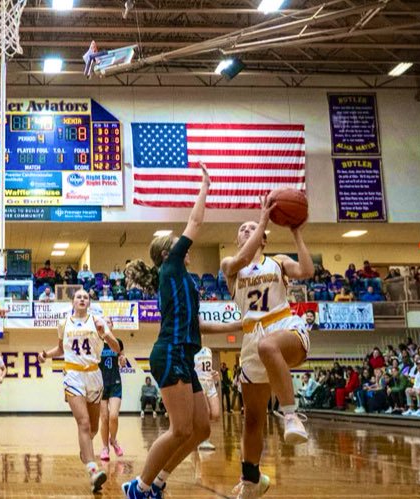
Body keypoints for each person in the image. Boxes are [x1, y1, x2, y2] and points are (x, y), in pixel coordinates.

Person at [206, 189, 315, 498]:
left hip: (283, 325)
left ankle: (291, 415)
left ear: (264, 240)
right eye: (243, 229)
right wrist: (263, 219)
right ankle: (251, 480)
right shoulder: (231, 265)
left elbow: (307, 271)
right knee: (252, 418)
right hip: (251, 338)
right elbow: (242, 258)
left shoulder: (278, 262)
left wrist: (296, 234)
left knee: (269, 346)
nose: (246, 229)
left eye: (252, 228)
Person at [125, 164, 212, 499]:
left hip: (183, 354)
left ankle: (158, 482)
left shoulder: (183, 281)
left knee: (201, 429)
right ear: (168, 253)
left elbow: (197, 324)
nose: (186, 248)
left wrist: (243, 324)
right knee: (180, 429)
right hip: (170, 351)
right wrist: (204, 187)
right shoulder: (171, 267)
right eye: (179, 245)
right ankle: (139, 487)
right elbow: (196, 222)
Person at [39, 289, 121, 492]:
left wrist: (105, 334)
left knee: (92, 428)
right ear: (73, 302)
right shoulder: (63, 323)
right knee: (83, 423)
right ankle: (93, 471)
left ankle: (85, 450)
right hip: (73, 375)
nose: (82, 299)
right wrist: (45, 354)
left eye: (86, 297)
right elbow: (61, 349)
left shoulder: (98, 321)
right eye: (79, 297)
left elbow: (117, 348)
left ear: (89, 303)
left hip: (94, 375)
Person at [98, 331, 129, 460]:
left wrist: (123, 360)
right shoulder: (96, 342)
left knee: (114, 416)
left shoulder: (117, 342)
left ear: (111, 325)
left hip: (115, 382)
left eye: (109, 322)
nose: (106, 323)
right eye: (104, 322)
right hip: (100, 384)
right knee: (104, 418)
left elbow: (123, 361)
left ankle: (114, 440)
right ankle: (105, 448)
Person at [193, 345, 221, 450]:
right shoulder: (191, 350)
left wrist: (215, 374)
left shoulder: (208, 350)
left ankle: (197, 429)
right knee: (206, 412)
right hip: (199, 383)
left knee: (215, 414)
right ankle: (203, 439)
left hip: (210, 384)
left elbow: (207, 368)